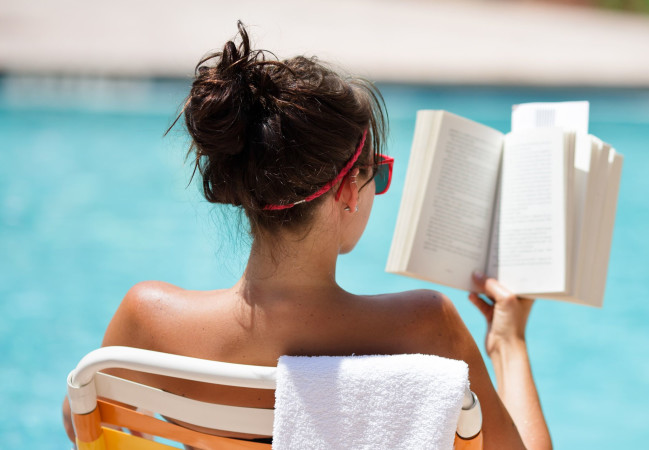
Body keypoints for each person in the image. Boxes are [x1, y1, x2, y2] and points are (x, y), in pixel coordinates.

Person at [63, 22, 552, 449]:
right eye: (375, 175)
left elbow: (84, 421)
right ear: (346, 192)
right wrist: (509, 343)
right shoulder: (427, 327)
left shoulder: (148, 321)